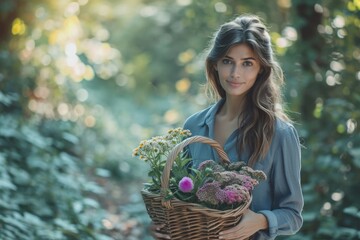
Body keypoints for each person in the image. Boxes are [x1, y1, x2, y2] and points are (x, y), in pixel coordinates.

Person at [151, 14, 303, 240]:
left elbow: (292, 215)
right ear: (215, 64)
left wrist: (260, 220)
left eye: (247, 63)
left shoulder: (279, 134)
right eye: (227, 61)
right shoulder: (193, 126)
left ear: (261, 68)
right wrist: (160, 225)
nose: (235, 74)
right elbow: (176, 196)